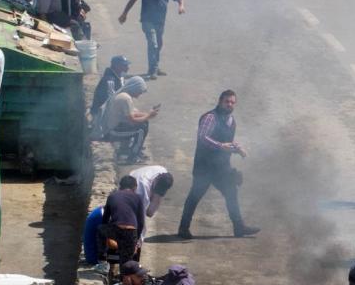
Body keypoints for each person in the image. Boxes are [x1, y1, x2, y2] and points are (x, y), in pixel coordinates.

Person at [178, 90, 259, 239]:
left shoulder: (231, 121)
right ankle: (183, 229)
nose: (229, 105)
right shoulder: (210, 117)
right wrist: (220, 145)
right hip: (204, 168)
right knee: (194, 197)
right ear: (220, 101)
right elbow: (203, 137)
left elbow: (227, 142)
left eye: (232, 102)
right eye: (227, 101)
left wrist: (237, 148)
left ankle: (239, 227)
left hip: (221, 168)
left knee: (232, 193)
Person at [118, 0, 184, 80]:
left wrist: (181, 6)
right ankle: (152, 70)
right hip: (147, 20)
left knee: (158, 44)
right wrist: (125, 13)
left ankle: (156, 66)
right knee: (153, 44)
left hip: (160, 21)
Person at [103, 77, 159, 163]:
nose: (140, 93)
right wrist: (148, 116)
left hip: (117, 126)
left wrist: (148, 114)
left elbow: (133, 114)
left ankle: (132, 150)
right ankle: (133, 157)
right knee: (140, 130)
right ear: (135, 88)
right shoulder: (126, 99)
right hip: (113, 131)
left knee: (144, 123)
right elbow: (132, 120)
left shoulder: (125, 95)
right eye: (140, 91)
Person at [102, 177, 145, 267]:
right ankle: (125, 276)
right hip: (130, 231)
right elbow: (141, 222)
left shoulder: (112, 196)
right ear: (135, 187)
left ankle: (102, 259)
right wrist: (136, 241)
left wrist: (106, 237)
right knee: (126, 262)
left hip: (115, 230)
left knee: (100, 230)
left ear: (120, 186)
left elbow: (105, 219)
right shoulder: (138, 198)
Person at [129, 165, 174, 242]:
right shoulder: (142, 189)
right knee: (132, 217)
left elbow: (149, 213)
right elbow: (141, 217)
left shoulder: (163, 171)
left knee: (150, 211)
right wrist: (139, 240)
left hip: (141, 178)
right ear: (156, 180)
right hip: (131, 185)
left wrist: (156, 197)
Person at [92, 56, 131, 121]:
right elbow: (109, 102)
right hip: (102, 115)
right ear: (116, 66)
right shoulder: (109, 81)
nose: (127, 68)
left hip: (111, 110)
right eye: (124, 65)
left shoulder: (119, 76)